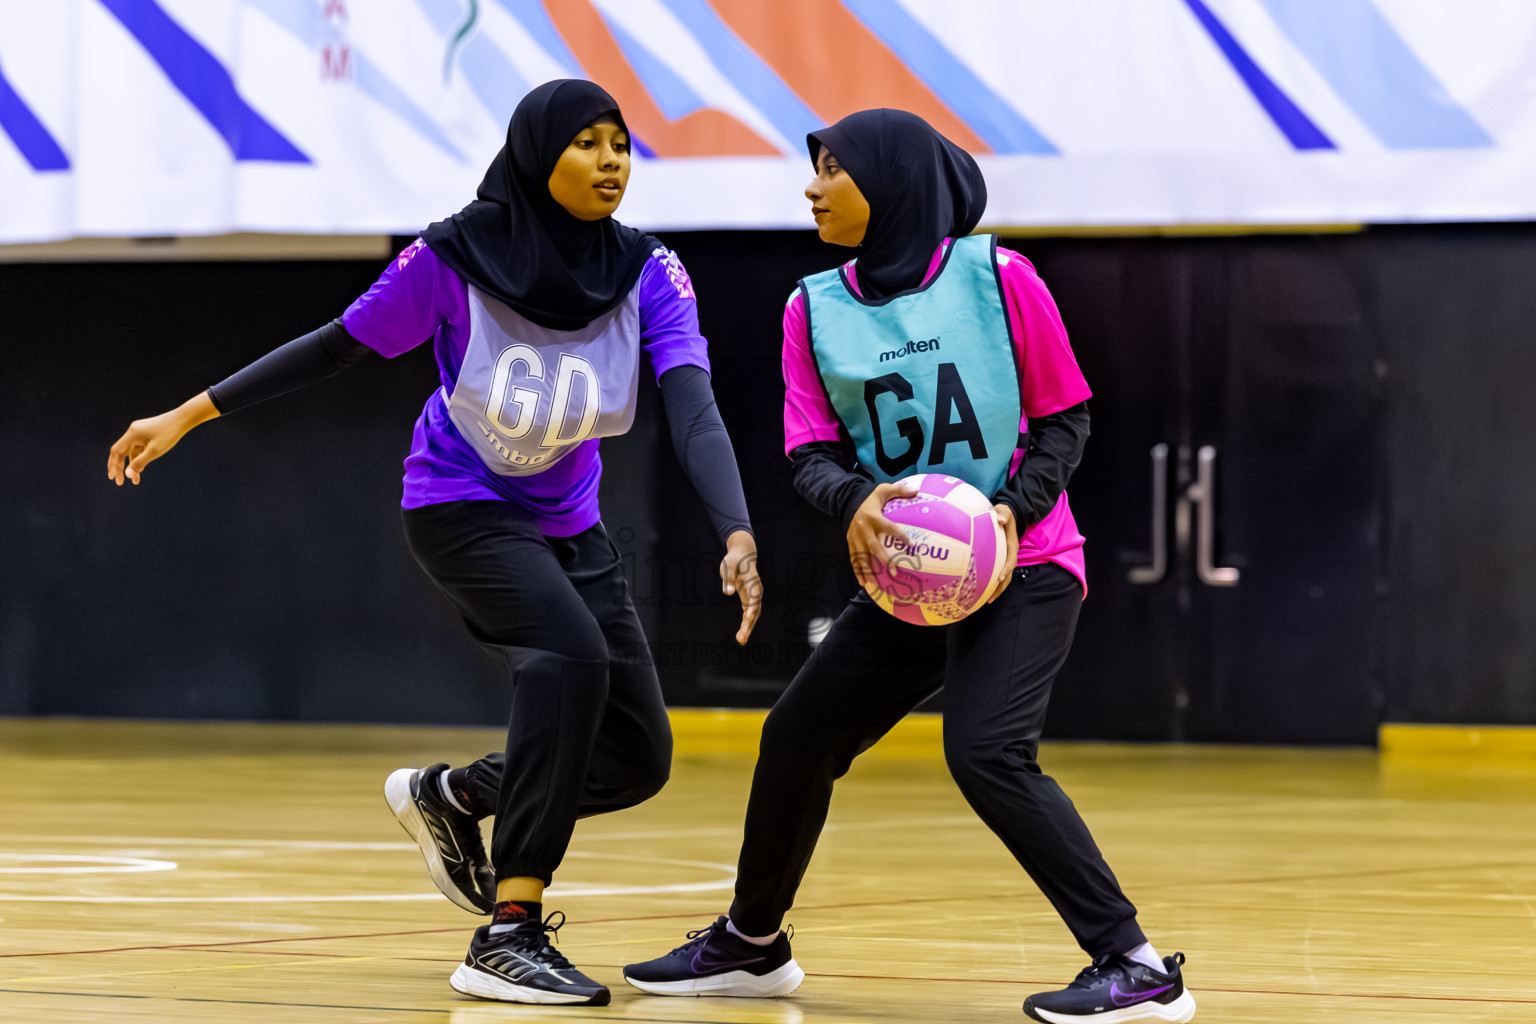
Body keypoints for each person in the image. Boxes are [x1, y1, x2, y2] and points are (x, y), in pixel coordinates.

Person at [106, 79, 761, 1008]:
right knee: (568, 659)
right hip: (461, 505)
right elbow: (333, 346)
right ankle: (508, 934)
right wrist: (188, 414)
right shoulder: (452, 259)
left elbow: (692, 405)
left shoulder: (649, 272)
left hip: (570, 524)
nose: (611, 161)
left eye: (620, 143)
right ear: (536, 156)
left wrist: (735, 527)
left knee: (635, 757)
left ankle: (452, 797)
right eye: (587, 143)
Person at [620, 109, 1195, 1023]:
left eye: (832, 169)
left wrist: (1011, 511)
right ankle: (752, 945)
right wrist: (853, 499)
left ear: (891, 183)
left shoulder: (1001, 278)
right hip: (912, 577)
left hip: (1026, 561)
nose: (812, 187)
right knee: (798, 734)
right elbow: (810, 452)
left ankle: (1135, 966)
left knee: (987, 752)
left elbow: (1066, 418)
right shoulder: (811, 307)